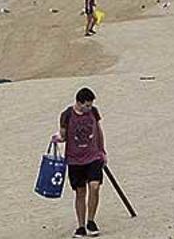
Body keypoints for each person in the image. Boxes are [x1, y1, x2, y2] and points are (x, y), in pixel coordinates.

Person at [53, 88, 107, 238]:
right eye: (87, 105)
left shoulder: (94, 112)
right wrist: (57, 138)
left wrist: (102, 151)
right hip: (75, 159)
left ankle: (91, 221)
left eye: (90, 105)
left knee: (95, 186)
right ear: (79, 103)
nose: (89, 108)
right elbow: (63, 135)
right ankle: (81, 226)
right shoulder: (67, 115)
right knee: (80, 192)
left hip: (93, 156)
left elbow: (98, 131)